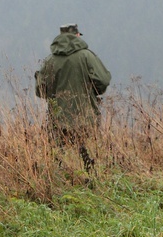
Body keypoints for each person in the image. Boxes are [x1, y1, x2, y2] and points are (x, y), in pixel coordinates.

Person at [35, 24, 111, 172]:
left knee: (59, 158)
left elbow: (40, 90)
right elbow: (103, 80)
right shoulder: (87, 56)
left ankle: (63, 183)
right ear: (77, 35)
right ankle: (91, 183)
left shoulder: (50, 60)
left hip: (58, 119)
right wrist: (94, 92)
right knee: (89, 156)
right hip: (87, 117)